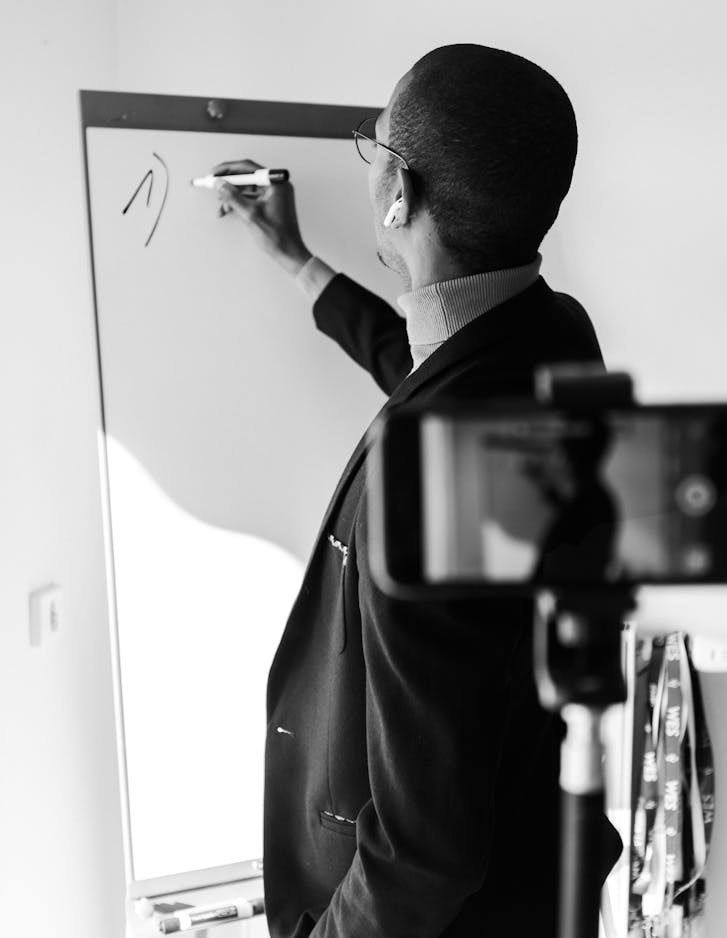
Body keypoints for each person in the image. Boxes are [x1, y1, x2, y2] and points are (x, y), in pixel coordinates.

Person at [213, 44, 621, 938]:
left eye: (373, 144)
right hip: (537, 880)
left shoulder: (431, 459)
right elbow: (424, 370)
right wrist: (300, 264)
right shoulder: (551, 334)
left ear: (398, 189)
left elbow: (423, 851)